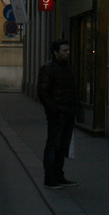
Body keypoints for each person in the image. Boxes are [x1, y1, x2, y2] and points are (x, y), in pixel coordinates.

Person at [37, 39, 78, 190]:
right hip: (57, 115)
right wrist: (55, 110)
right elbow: (43, 92)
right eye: (64, 51)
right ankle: (50, 178)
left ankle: (59, 176)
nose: (68, 53)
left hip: (67, 113)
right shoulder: (48, 68)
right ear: (55, 52)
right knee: (53, 146)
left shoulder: (67, 68)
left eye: (68, 50)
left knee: (62, 147)